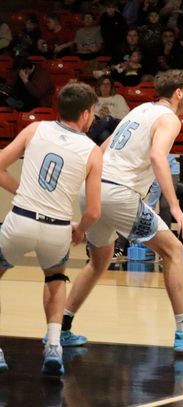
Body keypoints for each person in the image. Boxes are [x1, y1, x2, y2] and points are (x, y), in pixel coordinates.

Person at [58, 70, 183, 352]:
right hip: (117, 191)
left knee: (99, 261)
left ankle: (61, 328)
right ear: (178, 94)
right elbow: (157, 156)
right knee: (173, 250)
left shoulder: (140, 110)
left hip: (95, 187)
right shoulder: (169, 118)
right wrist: (175, 206)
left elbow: (104, 146)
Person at [0, 82, 102, 375]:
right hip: (57, 227)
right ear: (85, 113)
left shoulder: (35, 129)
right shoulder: (92, 151)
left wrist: (22, 191)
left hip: (21, 219)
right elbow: (93, 212)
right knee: (55, 280)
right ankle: (54, 347)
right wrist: (80, 230)